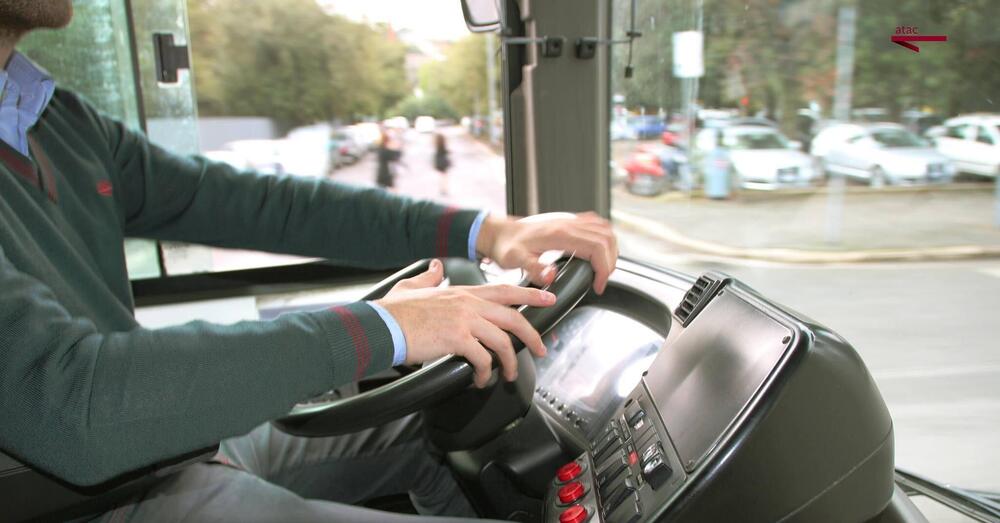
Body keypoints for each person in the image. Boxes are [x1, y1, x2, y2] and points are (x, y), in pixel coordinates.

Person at [0, 2, 618, 522]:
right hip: (91, 496)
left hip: (155, 448)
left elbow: (271, 207)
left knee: (432, 429)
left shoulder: (53, 121)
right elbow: (72, 405)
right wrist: (386, 328)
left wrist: (485, 231)